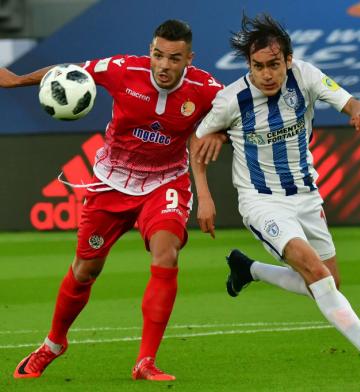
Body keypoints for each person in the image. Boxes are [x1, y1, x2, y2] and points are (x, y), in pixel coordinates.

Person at [0, 19, 225, 381]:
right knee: (85, 269)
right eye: (158, 55)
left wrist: (216, 149)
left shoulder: (207, 88)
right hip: (110, 183)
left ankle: (145, 362)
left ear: (189, 59)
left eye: (174, 58)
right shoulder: (123, 69)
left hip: (165, 182)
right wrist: (17, 79)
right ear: (150, 51)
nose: (164, 65)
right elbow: (69, 72)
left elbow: (235, 116)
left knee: (166, 253)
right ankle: (53, 344)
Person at [191, 13, 360, 376]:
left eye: (273, 65)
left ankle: (248, 269)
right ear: (249, 65)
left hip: (306, 195)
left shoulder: (306, 76)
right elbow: (198, 140)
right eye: (257, 66)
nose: (266, 74)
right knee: (316, 272)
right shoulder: (232, 99)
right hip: (261, 201)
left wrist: (359, 109)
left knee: (328, 282)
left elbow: (349, 101)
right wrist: (204, 196)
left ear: (288, 60)